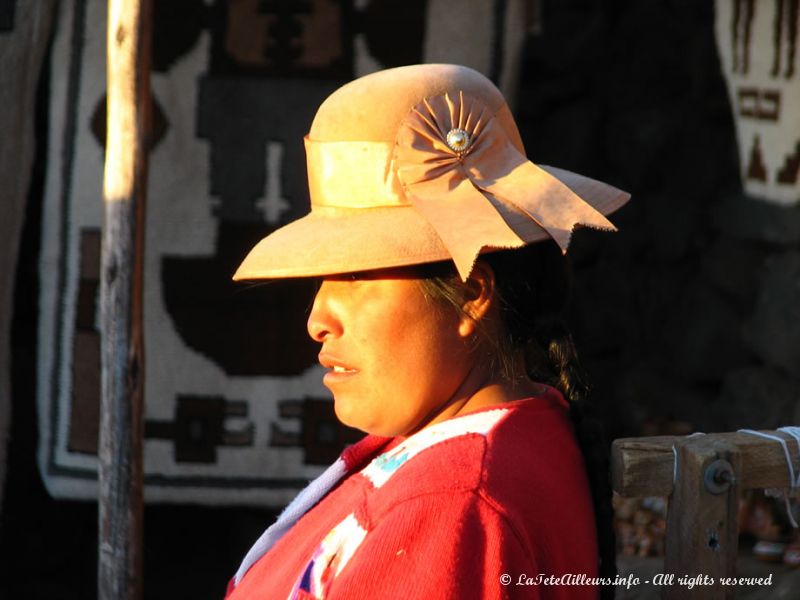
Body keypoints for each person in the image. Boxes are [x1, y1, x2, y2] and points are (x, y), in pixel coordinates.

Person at [225, 64, 630, 600]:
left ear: (472, 295)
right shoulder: (515, 434)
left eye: (355, 275)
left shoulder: (453, 505)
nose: (317, 319)